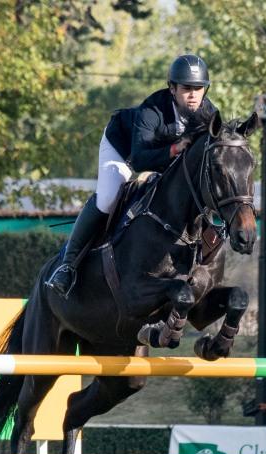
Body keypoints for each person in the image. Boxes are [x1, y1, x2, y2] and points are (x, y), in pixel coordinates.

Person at [45, 54, 218, 296]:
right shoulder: (152, 110)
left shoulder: (209, 113)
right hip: (123, 149)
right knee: (108, 197)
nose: (193, 95)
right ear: (172, 88)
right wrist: (174, 149)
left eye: (198, 89)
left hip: (164, 159)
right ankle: (67, 266)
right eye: (187, 88)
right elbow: (139, 160)